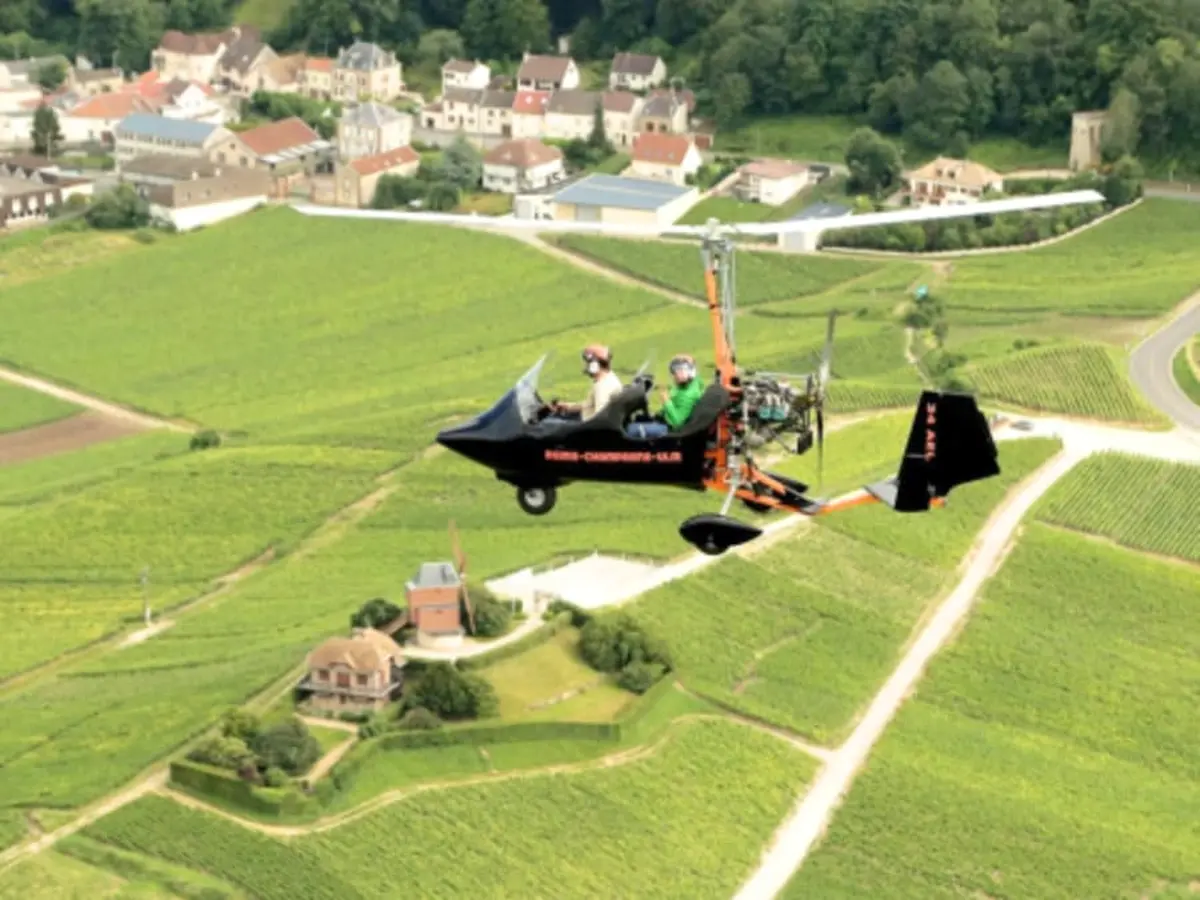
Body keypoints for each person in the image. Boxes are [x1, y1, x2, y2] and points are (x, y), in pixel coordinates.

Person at [628, 354, 704, 439]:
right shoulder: (691, 385)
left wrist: (666, 401)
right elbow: (695, 376)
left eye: (676, 372)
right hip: (664, 421)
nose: (674, 376)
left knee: (631, 430)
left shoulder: (688, 395)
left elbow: (677, 422)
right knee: (639, 419)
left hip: (670, 430)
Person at [550, 344, 622, 421]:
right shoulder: (608, 378)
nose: (585, 366)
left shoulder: (603, 387)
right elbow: (589, 405)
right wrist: (568, 406)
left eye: (587, 363)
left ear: (594, 365)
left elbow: (599, 419)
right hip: (585, 418)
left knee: (550, 422)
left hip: (586, 425)